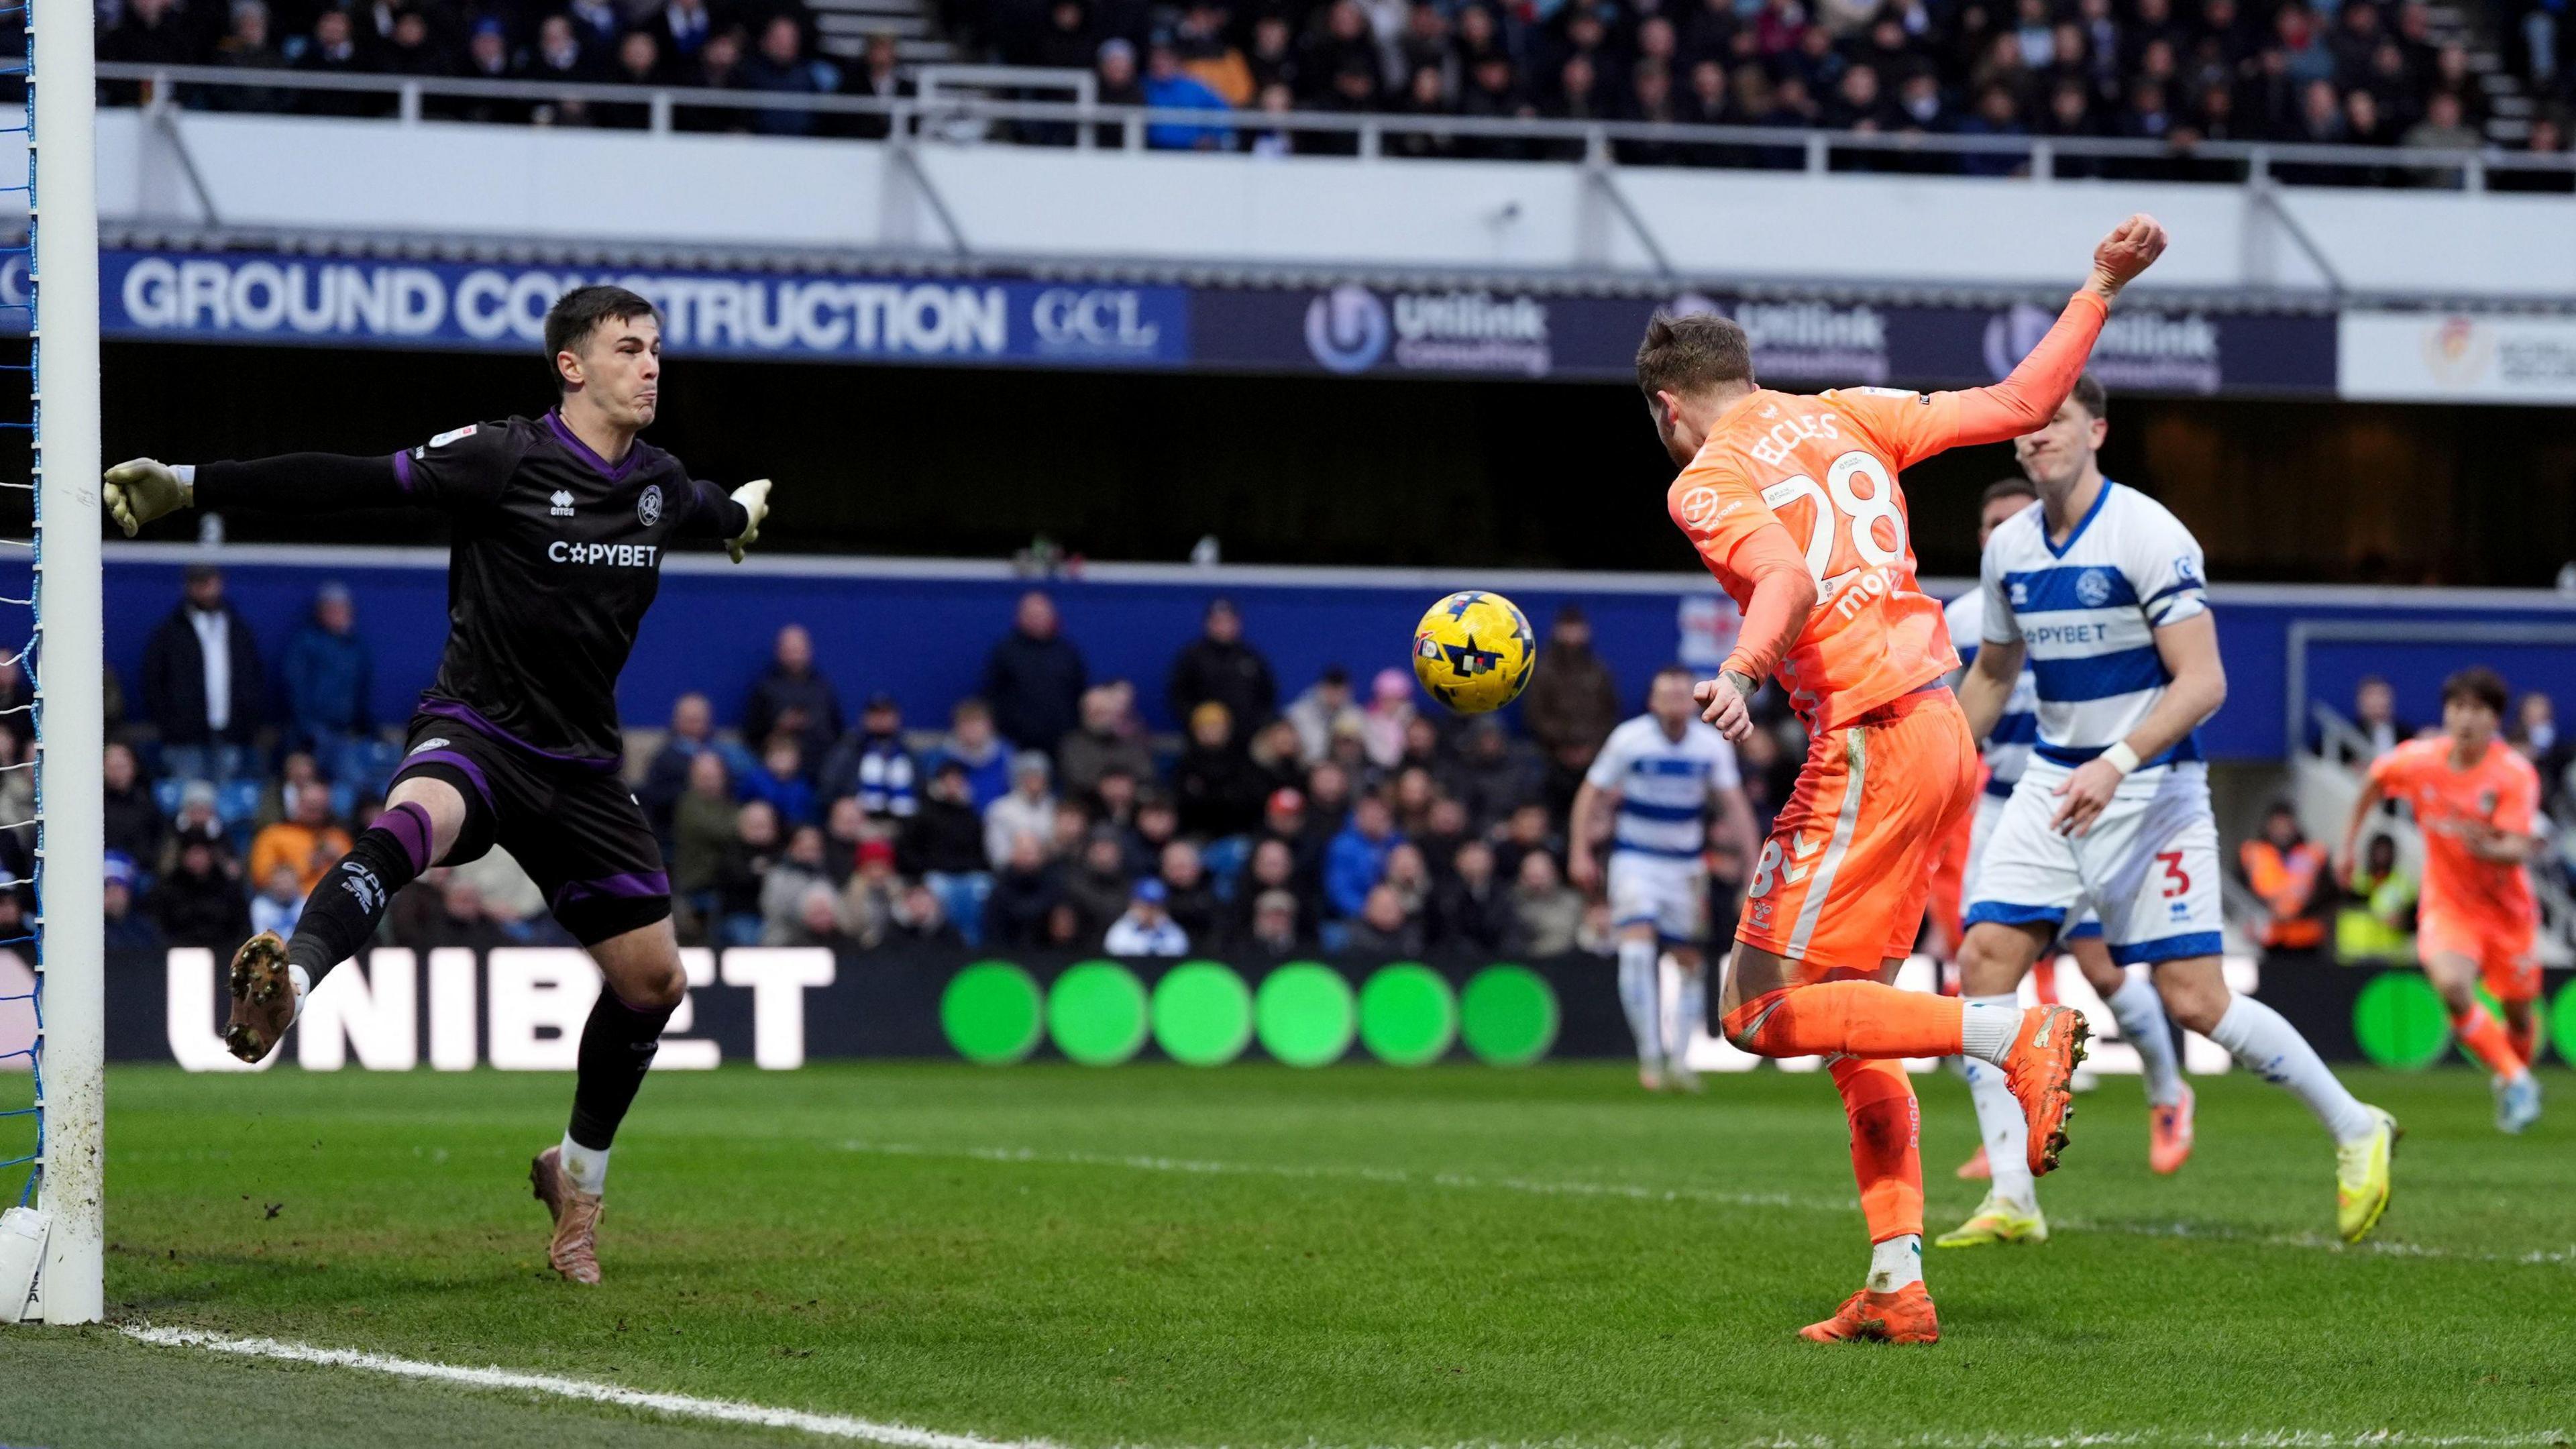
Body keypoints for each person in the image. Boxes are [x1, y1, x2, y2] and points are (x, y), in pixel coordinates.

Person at [99, 284, 771, 1286]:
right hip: (478, 730)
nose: (652, 365)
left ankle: (574, 1180)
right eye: (630, 348)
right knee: (416, 819)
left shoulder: (659, 484)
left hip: (582, 766)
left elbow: (709, 506)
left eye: (658, 350)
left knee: (654, 984)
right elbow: (348, 481)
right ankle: (290, 984)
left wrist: (739, 514)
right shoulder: (504, 455)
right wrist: (194, 485)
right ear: (571, 366)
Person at [1635, 214, 2173, 1345]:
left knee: (1755, 1007)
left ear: (1670, 410)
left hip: (1870, 735)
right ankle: (1896, 1283)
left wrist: (1742, 664)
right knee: (1853, 1032)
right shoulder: (1844, 414)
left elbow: (1778, 573)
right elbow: (2021, 407)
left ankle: (2011, 1036)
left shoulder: (1707, 478)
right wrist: (2098, 287)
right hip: (1938, 727)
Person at [1950, 364, 2394, 1263]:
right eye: (2025, 424)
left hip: (2151, 790)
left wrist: (2117, 762)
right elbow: (1995, 675)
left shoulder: (2148, 532)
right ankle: (2011, 1193)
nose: (2037, 435)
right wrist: (1939, 766)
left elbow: (2205, 682)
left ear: (2098, 432)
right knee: (1984, 963)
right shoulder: (2012, 550)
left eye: (2055, 420)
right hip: (2052, 782)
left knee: (2196, 1000)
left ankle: (2356, 1125)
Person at [1935, 477, 2194, 1199]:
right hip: (1996, 811)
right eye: (1991, 524)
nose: (2003, 534)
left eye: (2016, 521)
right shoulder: (1958, 622)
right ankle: (2006, 1142)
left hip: (2072, 802)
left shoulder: (2083, 603)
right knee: (1984, 966)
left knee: (2105, 972)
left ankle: (2169, 1093)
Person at [2337, 667, 2544, 1133]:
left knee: (2518, 1012)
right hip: (2449, 904)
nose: (2465, 720)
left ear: (2495, 721)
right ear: (2446, 713)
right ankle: (2516, 1078)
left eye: (2478, 710)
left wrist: (2488, 847)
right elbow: (2374, 781)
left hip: (2507, 911)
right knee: (2452, 985)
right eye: (2458, 708)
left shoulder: (2513, 774)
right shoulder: (2417, 760)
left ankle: (2512, 1075)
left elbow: (2519, 845)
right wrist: (2349, 846)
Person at [1568, 665, 1756, 1091]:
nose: (1674, 703)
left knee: (1688, 963)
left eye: (1680, 696)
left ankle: (1681, 1061)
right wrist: (1580, 849)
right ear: (1652, 702)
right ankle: (1649, 1058)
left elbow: (1735, 807)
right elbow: (1591, 792)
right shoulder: (1630, 739)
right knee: (1635, 952)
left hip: (1686, 866)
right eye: (1665, 696)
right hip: (1636, 859)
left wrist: (1751, 868)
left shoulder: (1710, 746)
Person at [140, 564, 267, 784]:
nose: (205, 589)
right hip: (184, 737)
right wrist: (171, 724)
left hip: (230, 732)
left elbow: (253, 675)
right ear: (188, 587)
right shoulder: (170, 632)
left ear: (220, 583)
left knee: (227, 802)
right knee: (190, 800)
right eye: (199, 583)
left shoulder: (237, 629)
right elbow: (153, 680)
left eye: (209, 582)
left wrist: (247, 719)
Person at [1520, 603, 1623, 782]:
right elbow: (1535, 714)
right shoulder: (1544, 670)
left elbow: (1610, 712)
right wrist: (1564, 746)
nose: (1572, 634)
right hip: (1552, 756)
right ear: (1557, 630)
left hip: (1594, 756)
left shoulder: (1598, 669)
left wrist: (1590, 748)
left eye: (1576, 628)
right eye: (1567, 628)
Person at [983, 592, 1088, 752]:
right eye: (1031, 615)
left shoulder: (1068, 652)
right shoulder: (1006, 652)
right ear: (1020, 618)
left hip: (1062, 743)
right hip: (1018, 743)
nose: (1036, 620)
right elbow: (992, 694)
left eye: (1041, 615)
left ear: (1052, 617)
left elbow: (1080, 691)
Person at [281, 580, 374, 761]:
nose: (338, 615)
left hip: (346, 731)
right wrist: (307, 729)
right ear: (321, 612)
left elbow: (362, 688)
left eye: (342, 609)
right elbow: (295, 687)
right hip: (313, 732)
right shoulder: (305, 643)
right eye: (332, 609)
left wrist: (365, 726)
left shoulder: (356, 647)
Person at [1167, 597, 1277, 741]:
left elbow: (1268, 694)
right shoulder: (1192, 657)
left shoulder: (1251, 657)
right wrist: (1196, 723)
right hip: (1203, 740)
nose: (1224, 627)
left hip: (1246, 739)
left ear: (1238, 623)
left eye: (1228, 621)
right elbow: (1178, 695)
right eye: (1218, 622)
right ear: (1208, 624)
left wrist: (1256, 725)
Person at [742, 624, 844, 769]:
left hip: (821, 765)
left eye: (799, 651)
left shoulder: (824, 688)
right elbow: (752, 736)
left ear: (809, 652)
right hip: (778, 769)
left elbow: (837, 730)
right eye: (789, 651)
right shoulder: (765, 689)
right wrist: (781, 728)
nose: (795, 657)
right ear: (779, 652)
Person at [2239, 800, 2331, 961]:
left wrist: (2301, 911)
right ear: (2268, 826)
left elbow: (2328, 892)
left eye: (2286, 825)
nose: (2282, 831)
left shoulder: (2313, 853)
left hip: (2306, 939)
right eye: (2277, 825)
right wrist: (2267, 910)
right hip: (2268, 938)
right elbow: (2242, 891)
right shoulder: (2254, 852)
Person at [1285, 665, 1360, 763]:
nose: (1335, 697)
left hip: (1341, 771)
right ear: (1320, 688)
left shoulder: (1356, 716)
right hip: (1305, 767)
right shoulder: (1298, 714)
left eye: (1340, 692)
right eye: (1331, 690)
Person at [1104, 877, 1189, 956]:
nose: (1150, 912)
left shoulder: (1173, 933)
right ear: (1134, 904)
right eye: (1146, 906)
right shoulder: (1120, 932)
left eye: (1156, 907)